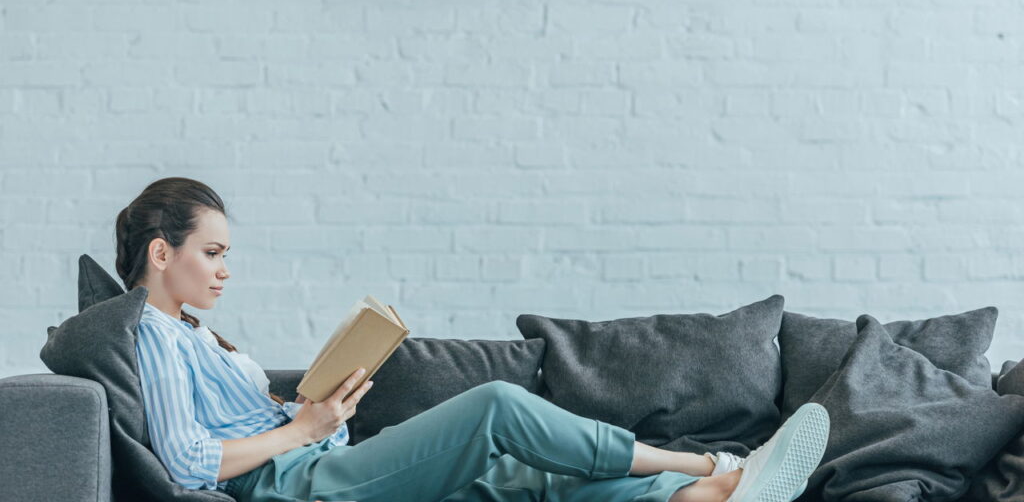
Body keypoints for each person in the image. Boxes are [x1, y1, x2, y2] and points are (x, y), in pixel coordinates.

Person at [119, 176, 831, 502]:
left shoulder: (193, 333)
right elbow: (186, 461)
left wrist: (314, 409)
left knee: (525, 477)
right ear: (160, 253)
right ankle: (708, 462)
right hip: (296, 486)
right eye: (211, 253)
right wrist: (303, 430)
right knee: (495, 407)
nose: (223, 269)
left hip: (317, 462)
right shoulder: (148, 335)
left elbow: (238, 424)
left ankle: (702, 498)